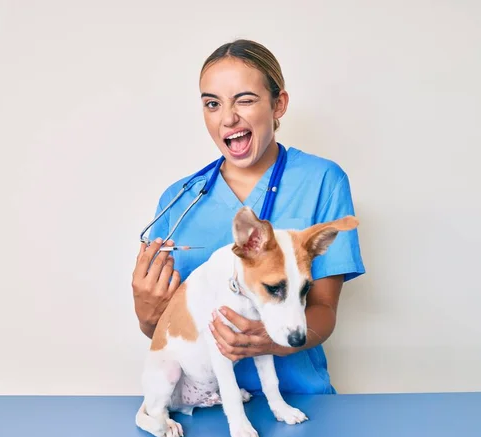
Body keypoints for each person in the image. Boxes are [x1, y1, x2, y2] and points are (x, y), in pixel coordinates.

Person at [132, 39, 365, 395]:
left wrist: (268, 341)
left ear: (278, 104)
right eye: (213, 104)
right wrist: (146, 314)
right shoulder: (179, 200)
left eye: (245, 100)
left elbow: (323, 311)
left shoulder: (322, 181)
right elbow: (172, 329)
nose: (228, 118)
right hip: (206, 402)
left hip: (297, 399)